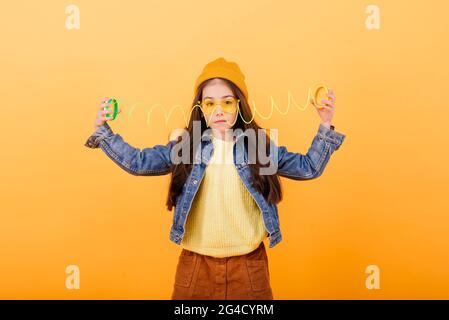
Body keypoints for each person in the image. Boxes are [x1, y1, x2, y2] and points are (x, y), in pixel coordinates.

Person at [84, 57, 346, 299]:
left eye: (227, 102)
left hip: (248, 266)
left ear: (240, 105)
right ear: (201, 107)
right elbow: (138, 163)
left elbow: (308, 167)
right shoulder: (186, 146)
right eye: (210, 103)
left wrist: (325, 124)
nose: (219, 110)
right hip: (196, 265)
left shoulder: (258, 147)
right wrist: (104, 133)